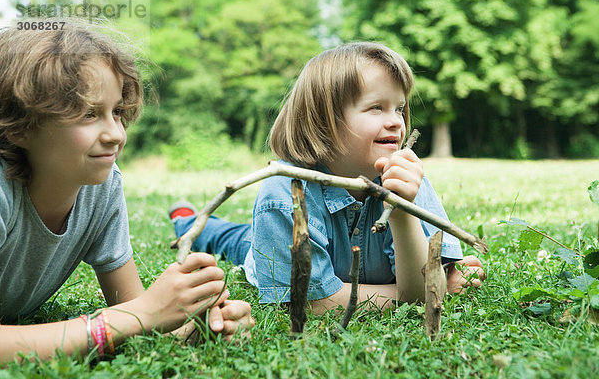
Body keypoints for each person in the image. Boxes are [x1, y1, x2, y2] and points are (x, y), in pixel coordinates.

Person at [0, 23, 253, 363]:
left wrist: (198, 323)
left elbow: (135, 311)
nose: (116, 134)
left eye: (116, 111)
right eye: (89, 114)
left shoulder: (101, 185)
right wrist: (133, 317)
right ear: (20, 127)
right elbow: (134, 316)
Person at [171, 42, 485, 314]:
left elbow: (423, 287)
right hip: (269, 243)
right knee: (235, 241)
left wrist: (402, 212)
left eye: (399, 108)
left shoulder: (407, 178)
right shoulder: (284, 195)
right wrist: (423, 290)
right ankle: (185, 220)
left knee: (242, 236)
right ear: (324, 121)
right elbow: (315, 304)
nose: (396, 122)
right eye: (376, 108)